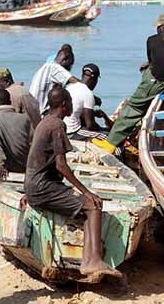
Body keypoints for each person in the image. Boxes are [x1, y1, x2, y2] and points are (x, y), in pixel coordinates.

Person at [24, 86, 121, 279]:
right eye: (69, 102)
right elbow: (62, 166)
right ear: (63, 104)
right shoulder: (57, 125)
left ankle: (88, 262)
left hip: (35, 186)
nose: (71, 106)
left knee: (86, 207)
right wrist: (86, 192)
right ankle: (93, 259)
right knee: (93, 205)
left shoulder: (45, 122)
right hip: (43, 188)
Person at [94, 13, 164, 154]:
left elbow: (153, 61)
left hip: (158, 82)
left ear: (163, 26)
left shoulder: (152, 40)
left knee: (133, 107)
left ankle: (110, 143)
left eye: (158, 27)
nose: (157, 30)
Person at [65, 64, 113, 141]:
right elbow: (90, 125)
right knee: (110, 137)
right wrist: (101, 128)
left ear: (82, 75)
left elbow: (77, 110)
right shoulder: (88, 93)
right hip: (73, 132)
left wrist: (93, 113)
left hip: (64, 128)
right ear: (95, 80)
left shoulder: (70, 87)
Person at [28, 46, 78, 113]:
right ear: (65, 59)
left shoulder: (46, 66)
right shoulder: (54, 68)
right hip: (40, 113)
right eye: (70, 64)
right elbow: (76, 83)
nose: (70, 69)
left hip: (32, 110)